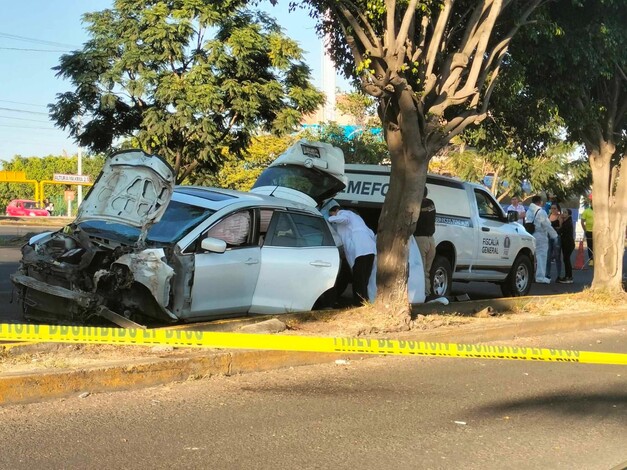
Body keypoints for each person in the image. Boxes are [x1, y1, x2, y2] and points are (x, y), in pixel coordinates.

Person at [328, 205, 376, 305]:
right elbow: (371, 233)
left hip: (360, 251)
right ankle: (365, 301)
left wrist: (330, 218)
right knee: (365, 278)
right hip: (370, 250)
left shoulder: (345, 213)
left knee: (358, 279)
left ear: (336, 210)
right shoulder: (358, 220)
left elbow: (343, 219)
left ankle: (359, 303)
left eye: (331, 213)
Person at [525, 195, 558, 284]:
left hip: (531, 234)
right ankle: (540, 277)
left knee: (532, 257)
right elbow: (547, 225)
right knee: (541, 257)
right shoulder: (541, 211)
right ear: (540, 202)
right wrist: (555, 235)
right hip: (541, 235)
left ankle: (531, 275)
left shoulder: (529, 211)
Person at [413, 187, 436, 298]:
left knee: (420, 270)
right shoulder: (431, 203)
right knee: (427, 271)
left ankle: (421, 295)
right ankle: (427, 293)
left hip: (420, 240)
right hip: (431, 241)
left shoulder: (416, 205)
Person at [557, 209, 575, 283]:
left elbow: (560, 231)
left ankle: (569, 277)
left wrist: (560, 222)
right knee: (566, 259)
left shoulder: (568, 223)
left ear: (569, 215)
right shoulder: (566, 222)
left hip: (568, 243)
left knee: (566, 259)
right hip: (566, 243)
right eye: (563, 212)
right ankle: (568, 276)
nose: (563, 214)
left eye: (565, 213)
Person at [546, 203, 562, 281]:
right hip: (548, 237)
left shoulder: (559, 217)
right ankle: (547, 274)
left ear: (558, 209)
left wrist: (554, 228)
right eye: (551, 208)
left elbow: (561, 227)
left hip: (556, 237)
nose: (553, 210)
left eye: (554, 208)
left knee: (557, 256)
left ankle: (559, 275)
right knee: (548, 256)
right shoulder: (548, 216)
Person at [580, 201, 594, 266]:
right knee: (590, 246)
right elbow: (582, 221)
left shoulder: (600, 211)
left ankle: (598, 259)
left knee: (598, 246)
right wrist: (585, 230)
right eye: (592, 203)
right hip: (589, 231)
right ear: (590, 203)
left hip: (598, 231)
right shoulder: (586, 211)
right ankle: (591, 260)